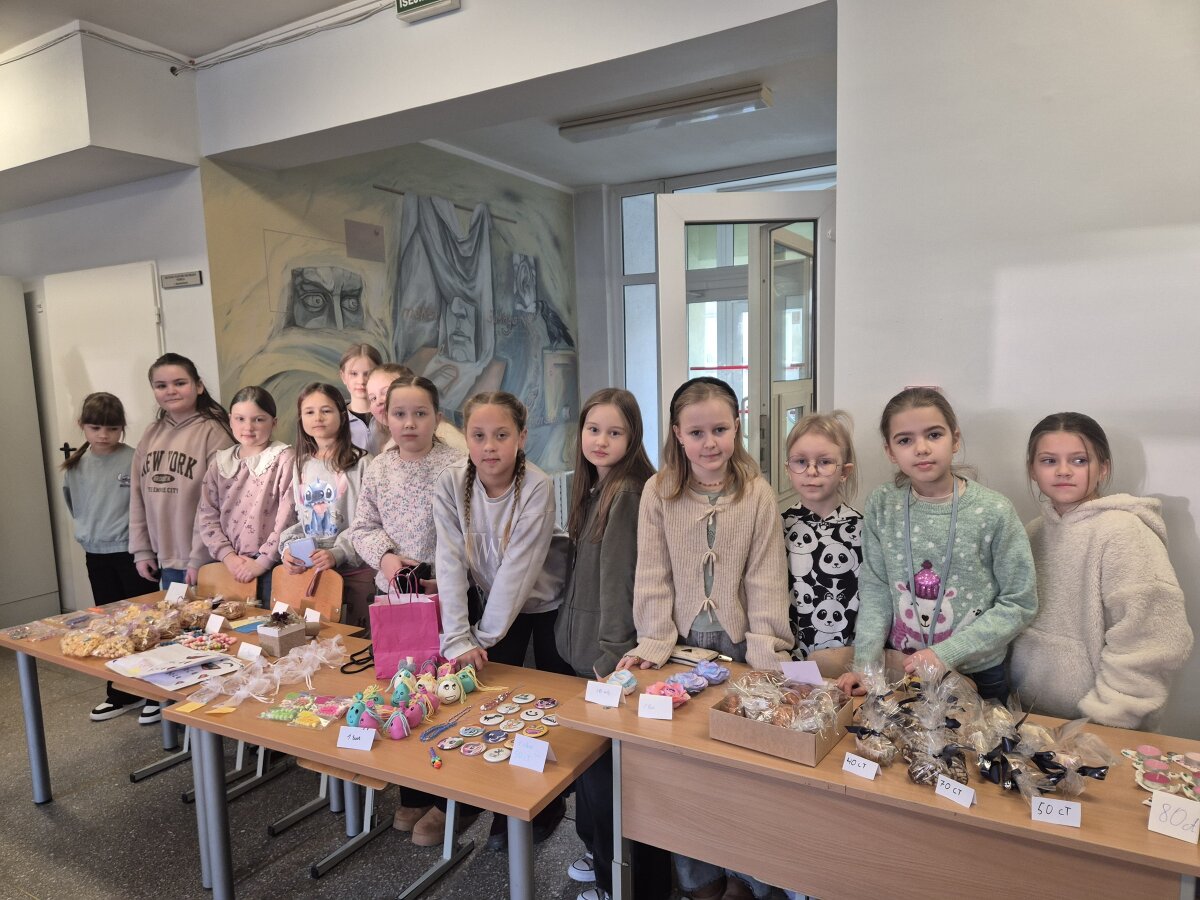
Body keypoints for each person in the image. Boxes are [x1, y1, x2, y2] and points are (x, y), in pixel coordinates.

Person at [618, 376, 791, 900]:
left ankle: (750, 877)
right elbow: (653, 573)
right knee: (686, 769)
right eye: (696, 433)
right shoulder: (659, 491)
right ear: (677, 434)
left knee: (746, 769)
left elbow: (766, 577)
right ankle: (698, 878)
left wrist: (765, 650)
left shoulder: (757, 493)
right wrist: (653, 642)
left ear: (737, 427)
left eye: (720, 429)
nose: (709, 442)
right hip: (680, 648)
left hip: (741, 647)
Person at [434, 390, 571, 851]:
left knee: (543, 711)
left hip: (543, 608)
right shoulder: (451, 482)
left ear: (521, 437)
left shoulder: (536, 485)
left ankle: (546, 806)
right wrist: (457, 637)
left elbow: (518, 571)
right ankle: (502, 803)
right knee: (495, 708)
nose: (489, 446)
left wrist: (482, 637)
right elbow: (449, 560)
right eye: (478, 435)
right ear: (465, 437)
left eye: (501, 435)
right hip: (490, 608)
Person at [837, 387, 1037, 702]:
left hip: (977, 674)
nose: (921, 448)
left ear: (955, 440)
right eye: (905, 440)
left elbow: (1019, 603)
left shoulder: (994, 511)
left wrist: (946, 653)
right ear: (890, 451)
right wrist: (866, 666)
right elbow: (876, 589)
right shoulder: (883, 504)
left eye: (933, 435)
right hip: (902, 669)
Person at [554, 389, 671, 900]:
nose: (601, 440)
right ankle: (599, 856)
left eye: (615, 432)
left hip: (605, 662)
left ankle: (616, 881)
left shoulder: (626, 493)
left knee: (611, 784)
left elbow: (621, 583)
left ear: (633, 437)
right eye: (593, 429)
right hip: (584, 655)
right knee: (593, 775)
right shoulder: (596, 487)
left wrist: (609, 658)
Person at [1010, 413, 1192, 728]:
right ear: (1032, 470)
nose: (1063, 471)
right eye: (1049, 460)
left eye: (1079, 460)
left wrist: (1109, 718)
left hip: (1100, 727)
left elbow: (1152, 640)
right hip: (1027, 719)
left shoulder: (1124, 531)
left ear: (1103, 467)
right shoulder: (1033, 532)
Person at [348, 374, 465, 844]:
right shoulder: (378, 468)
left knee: (448, 695)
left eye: (420, 413)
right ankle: (412, 794)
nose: (410, 423)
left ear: (437, 417)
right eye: (400, 414)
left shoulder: (456, 465)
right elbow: (362, 527)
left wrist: (445, 574)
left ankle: (446, 801)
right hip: (397, 599)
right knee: (403, 693)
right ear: (385, 418)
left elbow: (470, 530)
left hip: (447, 597)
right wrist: (388, 559)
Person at [129, 353, 234, 724]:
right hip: (165, 557)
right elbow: (137, 495)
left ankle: (204, 712)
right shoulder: (150, 433)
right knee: (171, 633)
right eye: (161, 385)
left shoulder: (214, 432)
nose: (170, 390)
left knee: (206, 639)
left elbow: (215, 502)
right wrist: (142, 548)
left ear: (198, 386)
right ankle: (169, 699)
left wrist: (197, 557)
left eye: (179, 383)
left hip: (200, 560)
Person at [62, 392, 148, 721]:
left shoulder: (133, 459)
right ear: (81, 426)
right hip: (96, 554)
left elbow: (145, 508)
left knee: (143, 623)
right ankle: (121, 692)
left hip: (132, 554)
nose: (103, 435)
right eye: (95, 428)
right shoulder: (76, 465)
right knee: (111, 625)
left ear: (122, 428)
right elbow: (75, 506)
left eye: (112, 429)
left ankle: (153, 691)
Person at [278, 383, 374, 629]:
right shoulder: (301, 464)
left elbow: (370, 522)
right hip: (312, 573)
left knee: (355, 641)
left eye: (326, 411)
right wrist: (288, 548)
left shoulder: (363, 463)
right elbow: (301, 518)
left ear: (342, 416)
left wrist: (337, 553)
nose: (318, 418)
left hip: (354, 574)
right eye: (309, 412)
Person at [196, 386, 295, 603]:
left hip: (271, 566)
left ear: (274, 422)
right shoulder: (220, 462)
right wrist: (228, 557)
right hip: (229, 565)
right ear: (230, 420)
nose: (248, 427)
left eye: (258, 420)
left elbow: (287, 517)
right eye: (240, 419)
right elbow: (207, 516)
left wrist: (263, 562)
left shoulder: (283, 458)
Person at [781, 411, 862, 659]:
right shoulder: (777, 527)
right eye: (800, 461)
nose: (811, 471)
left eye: (824, 462)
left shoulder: (863, 530)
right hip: (789, 659)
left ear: (844, 471)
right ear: (788, 469)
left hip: (846, 661)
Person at [366, 362, 467, 456]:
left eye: (386, 392)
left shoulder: (444, 433)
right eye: (373, 398)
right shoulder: (383, 439)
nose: (378, 401)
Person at [339, 343, 382, 452]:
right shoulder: (337, 420)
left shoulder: (392, 416)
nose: (361, 381)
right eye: (354, 374)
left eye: (368, 374)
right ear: (343, 377)